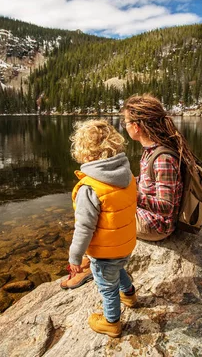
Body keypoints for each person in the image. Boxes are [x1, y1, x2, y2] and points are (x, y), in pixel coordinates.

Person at [66, 119, 138, 338]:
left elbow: (84, 228)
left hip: (105, 251)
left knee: (106, 285)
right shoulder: (127, 177)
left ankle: (111, 322)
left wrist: (75, 257)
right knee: (117, 269)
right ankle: (129, 295)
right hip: (125, 244)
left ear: (85, 153)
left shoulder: (90, 188)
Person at [122, 94, 197, 241]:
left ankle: (89, 260)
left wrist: (130, 196)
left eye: (125, 122)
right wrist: (124, 183)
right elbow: (148, 182)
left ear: (136, 127)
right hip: (150, 216)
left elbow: (166, 206)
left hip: (157, 226)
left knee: (105, 216)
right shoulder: (151, 150)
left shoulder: (162, 159)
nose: (125, 126)